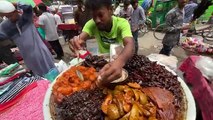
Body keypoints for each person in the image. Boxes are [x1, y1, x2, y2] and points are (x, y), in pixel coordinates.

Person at [69, 0, 134, 86]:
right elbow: (80, 38)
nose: (97, 20)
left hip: (120, 62)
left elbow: (130, 44)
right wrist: (75, 42)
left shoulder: (122, 23)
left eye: (100, 15)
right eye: (94, 16)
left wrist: (119, 62)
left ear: (111, 10)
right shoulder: (91, 24)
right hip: (102, 63)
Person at [0, 1, 56, 76]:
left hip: (40, 51)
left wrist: (16, 3)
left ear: (16, 11)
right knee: (39, 76)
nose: (10, 18)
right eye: (7, 16)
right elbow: (1, 35)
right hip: (28, 56)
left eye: (11, 15)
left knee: (51, 71)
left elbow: (28, 7)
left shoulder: (26, 18)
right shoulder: (5, 26)